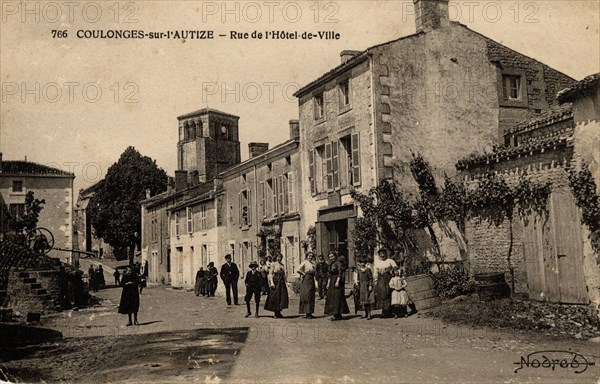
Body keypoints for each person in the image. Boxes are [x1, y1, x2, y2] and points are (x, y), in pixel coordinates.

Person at [324, 252, 350, 321]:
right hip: (332, 281)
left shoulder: (338, 263)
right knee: (332, 297)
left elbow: (340, 273)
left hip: (337, 280)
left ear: (335, 256)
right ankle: (336, 314)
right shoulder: (331, 264)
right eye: (329, 257)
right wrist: (328, 283)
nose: (331, 258)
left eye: (332, 256)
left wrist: (337, 281)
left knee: (337, 297)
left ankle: (337, 314)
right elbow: (329, 274)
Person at [374, 248, 397, 318]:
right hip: (380, 279)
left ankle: (390, 311)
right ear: (379, 255)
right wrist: (375, 280)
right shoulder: (377, 262)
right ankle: (384, 311)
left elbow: (396, 267)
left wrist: (391, 271)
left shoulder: (390, 261)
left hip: (388, 278)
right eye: (381, 255)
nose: (382, 256)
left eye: (383, 254)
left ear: (386, 254)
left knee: (388, 293)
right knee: (382, 294)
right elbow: (375, 272)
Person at [264, 253, 289, 318]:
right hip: (276, 281)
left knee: (282, 296)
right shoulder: (273, 264)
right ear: (276, 257)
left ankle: (279, 312)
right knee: (276, 296)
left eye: (280, 257)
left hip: (281, 281)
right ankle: (275, 313)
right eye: (278, 257)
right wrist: (271, 283)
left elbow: (283, 274)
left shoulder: (282, 265)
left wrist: (286, 281)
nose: (279, 258)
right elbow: (270, 274)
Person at [297, 252, 317, 319]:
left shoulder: (313, 263)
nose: (310, 257)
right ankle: (307, 313)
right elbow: (298, 269)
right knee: (307, 295)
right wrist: (303, 274)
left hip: (311, 280)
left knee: (311, 296)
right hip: (306, 280)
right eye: (309, 256)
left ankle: (310, 313)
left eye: (311, 256)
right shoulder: (305, 262)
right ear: (307, 256)